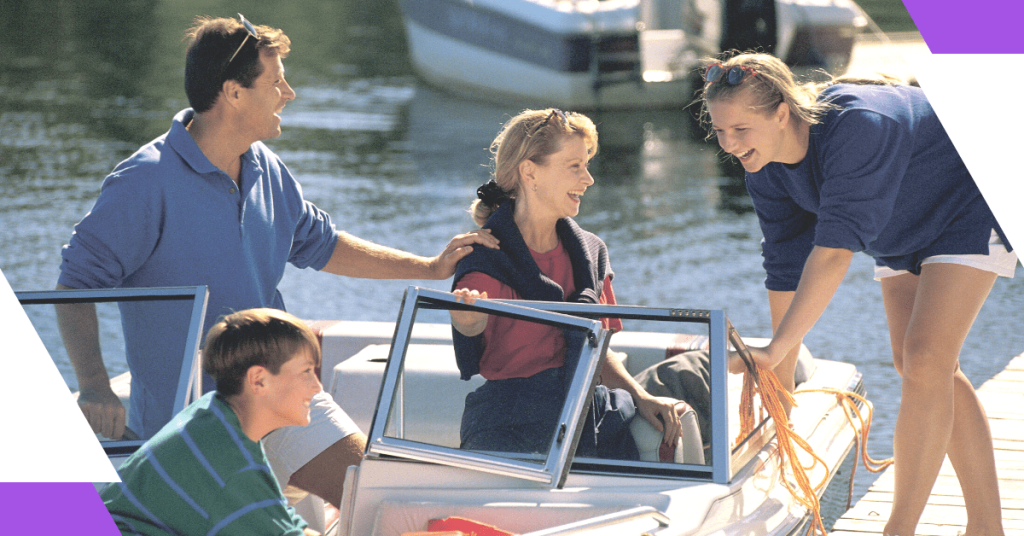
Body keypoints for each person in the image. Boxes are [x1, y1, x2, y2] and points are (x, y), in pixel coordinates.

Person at [56, 14, 498, 509]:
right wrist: (94, 385)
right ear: (234, 93)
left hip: (285, 392)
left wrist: (430, 268)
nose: (288, 92)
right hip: (194, 424)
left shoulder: (266, 166)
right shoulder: (144, 182)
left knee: (382, 500)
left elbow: (322, 244)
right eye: (276, 80)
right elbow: (75, 286)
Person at [701, 52, 1013, 536]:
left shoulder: (858, 127)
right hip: (896, 226)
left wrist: (779, 347)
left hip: (968, 203)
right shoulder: (763, 167)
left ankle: (899, 530)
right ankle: (988, 529)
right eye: (721, 132)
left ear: (782, 113)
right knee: (918, 364)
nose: (730, 144)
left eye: (741, 129)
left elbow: (831, 256)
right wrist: (779, 396)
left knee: (927, 357)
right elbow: (784, 270)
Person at [449, 108, 685, 459]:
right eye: (574, 166)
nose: (588, 179)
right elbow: (470, 320)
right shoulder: (486, 256)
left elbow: (597, 351)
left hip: (595, 418)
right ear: (530, 171)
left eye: (586, 165)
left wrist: (641, 396)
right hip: (511, 426)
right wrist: (466, 318)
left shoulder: (592, 253)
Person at [101, 308, 324, 536]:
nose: (317, 386)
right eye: (306, 371)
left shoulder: (212, 413)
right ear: (259, 380)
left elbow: (277, 516)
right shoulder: (234, 468)